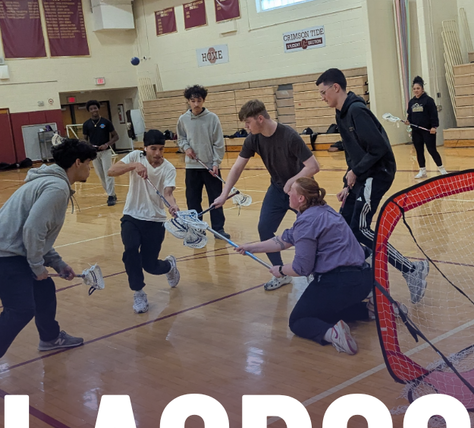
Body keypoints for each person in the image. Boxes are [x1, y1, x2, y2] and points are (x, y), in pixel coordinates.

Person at [0, 138, 97, 412]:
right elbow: (32, 231)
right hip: (0, 254)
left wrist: (56, 263)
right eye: (89, 164)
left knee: (43, 290)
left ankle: (49, 337)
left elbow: (37, 233)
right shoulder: (56, 188)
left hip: (2, 249)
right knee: (19, 310)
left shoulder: (49, 181)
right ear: (77, 163)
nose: (90, 169)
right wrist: (37, 266)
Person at [316, 68, 429, 304]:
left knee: (360, 229)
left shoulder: (357, 111)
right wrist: (348, 183)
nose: (322, 97)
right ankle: (363, 271)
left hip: (377, 173)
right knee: (344, 224)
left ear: (336, 87)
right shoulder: (340, 114)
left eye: (323, 92)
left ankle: (412, 269)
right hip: (362, 174)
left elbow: (379, 149)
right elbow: (352, 153)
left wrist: (357, 172)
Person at [236, 177, 372, 354]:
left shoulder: (307, 221)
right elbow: (282, 241)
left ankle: (333, 334)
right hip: (363, 281)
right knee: (326, 310)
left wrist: (280, 270)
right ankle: (371, 310)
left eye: (291, 190)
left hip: (340, 283)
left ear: (301, 198)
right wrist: (251, 247)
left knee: (299, 320)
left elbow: (302, 268)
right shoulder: (322, 210)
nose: (288, 192)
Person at [212, 99, 319, 291]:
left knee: (312, 232)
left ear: (260, 118)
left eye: (248, 122)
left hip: (301, 192)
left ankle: (318, 272)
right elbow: (237, 168)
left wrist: (292, 182)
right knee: (264, 229)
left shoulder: (289, 136)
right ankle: (280, 273)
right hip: (277, 190)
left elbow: (313, 166)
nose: (246, 127)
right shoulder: (253, 139)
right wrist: (224, 194)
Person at [107, 129, 181, 314]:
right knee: (130, 250)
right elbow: (111, 171)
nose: (157, 153)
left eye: (161, 149)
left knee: (150, 265)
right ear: (144, 148)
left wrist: (173, 206)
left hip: (155, 220)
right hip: (132, 216)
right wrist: (133, 166)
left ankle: (169, 266)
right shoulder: (135, 156)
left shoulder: (169, 168)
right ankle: (138, 292)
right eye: (153, 148)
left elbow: (168, 193)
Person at [177, 84, 229, 239]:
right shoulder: (183, 119)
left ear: (203, 100)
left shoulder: (212, 118)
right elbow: (181, 139)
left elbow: (218, 143)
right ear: (188, 101)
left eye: (199, 100)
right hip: (192, 167)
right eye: (192, 101)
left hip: (210, 166)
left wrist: (216, 163)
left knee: (216, 199)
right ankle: (196, 228)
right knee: (193, 199)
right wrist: (186, 148)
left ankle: (218, 229)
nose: (196, 104)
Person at [405, 76, 445, 178]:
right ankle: (422, 171)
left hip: (428, 131)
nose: (416, 90)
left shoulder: (429, 101)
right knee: (419, 151)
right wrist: (408, 121)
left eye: (418, 88)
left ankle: (441, 169)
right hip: (416, 131)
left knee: (432, 150)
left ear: (422, 89)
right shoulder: (411, 102)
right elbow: (410, 115)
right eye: (414, 89)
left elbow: (433, 115)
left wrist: (434, 127)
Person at [82, 99, 119, 206]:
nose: (94, 110)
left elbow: (116, 136)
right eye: (91, 109)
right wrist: (90, 146)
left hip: (106, 152)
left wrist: (107, 144)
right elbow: (85, 139)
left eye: (95, 108)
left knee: (108, 173)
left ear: (98, 108)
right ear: (89, 111)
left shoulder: (106, 122)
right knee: (100, 175)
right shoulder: (86, 124)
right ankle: (110, 194)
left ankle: (111, 195)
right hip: (94, 153)